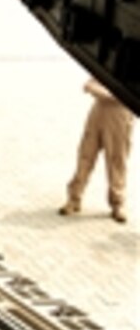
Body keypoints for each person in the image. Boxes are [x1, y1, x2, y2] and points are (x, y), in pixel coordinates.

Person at [59, 78, 134, 223]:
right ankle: (74, 199)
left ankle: (117, 203)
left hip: (120, 115)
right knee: (85, 156)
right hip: (98, 111)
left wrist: (102, 92)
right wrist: (106, 93)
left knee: (116, 160)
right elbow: (89, 85)